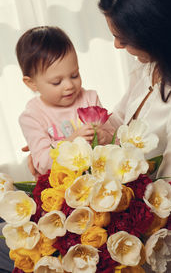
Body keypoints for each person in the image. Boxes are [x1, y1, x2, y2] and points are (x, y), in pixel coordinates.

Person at [98, 0, 171, 272]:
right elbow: (119, 119)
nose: (116, 45)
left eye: (125, 39)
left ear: (161, 35)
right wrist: (88, 136)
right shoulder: (150, 68)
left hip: (157, 242)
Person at [17, 26, 113, 177]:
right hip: (64, 188)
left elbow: (116, 139)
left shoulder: (89, 99)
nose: (69, 85)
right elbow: (42, 164)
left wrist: (105, 138)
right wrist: (72, 140)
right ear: (31, 83)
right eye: (56, 82)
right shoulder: (32, 117)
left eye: (74, 75)